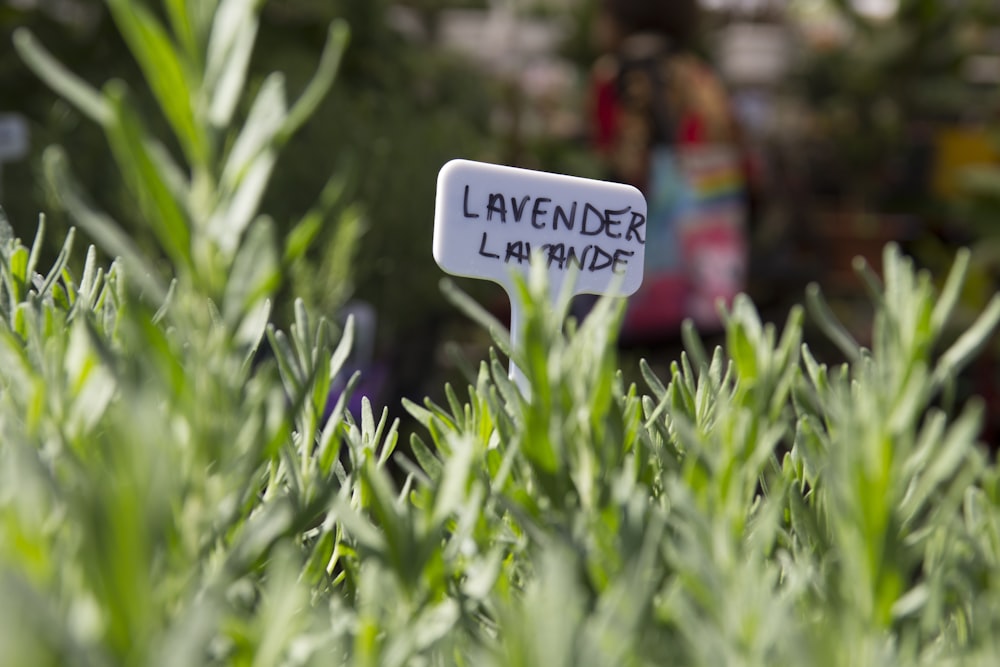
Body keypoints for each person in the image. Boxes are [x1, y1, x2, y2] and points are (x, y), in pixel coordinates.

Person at [589, 0, 751, 340]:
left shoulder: (614, 74)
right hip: (705, 260)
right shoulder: (700, 73)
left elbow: (612, 154)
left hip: (641, 264)